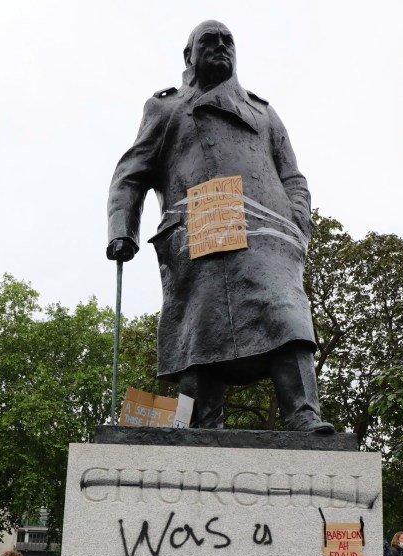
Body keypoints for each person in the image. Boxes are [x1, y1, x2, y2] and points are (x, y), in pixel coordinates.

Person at [106, 20, 333, 433]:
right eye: (208, 41)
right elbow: (131, 174)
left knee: (288, 314)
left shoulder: (263, 112)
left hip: (267, 233)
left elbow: (293, 177)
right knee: (199, 327)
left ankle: (303, 415)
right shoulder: (166, 108)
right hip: (200, 227)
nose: (220, 46)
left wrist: (298, 224)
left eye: (228, 40)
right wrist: (123, 229)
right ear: (188, 55)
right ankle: (202, 425)